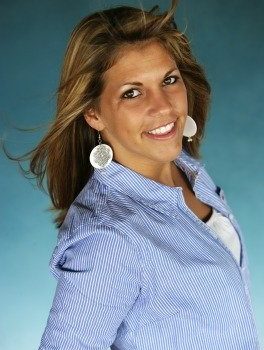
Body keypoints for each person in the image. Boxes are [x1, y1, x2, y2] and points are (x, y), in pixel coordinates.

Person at [6, 0, 261, 349]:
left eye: (169, 80)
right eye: (132, 93)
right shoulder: (109, 237)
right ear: (93, 113)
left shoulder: (187, 170)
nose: (164, 106)